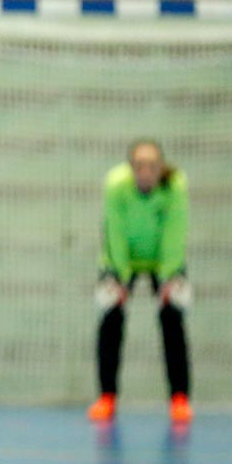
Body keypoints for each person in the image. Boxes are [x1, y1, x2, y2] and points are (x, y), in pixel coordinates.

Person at [87, 139, 192, 426]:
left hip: (162, 259)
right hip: (122, 259)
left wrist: (170, 275)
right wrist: (119, 277)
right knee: (111, 321)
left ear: (161, 168)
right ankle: (107, 397)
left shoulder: (175, 185)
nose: (146, 172)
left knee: (172, 320)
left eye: (152, 166)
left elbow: (175, 230)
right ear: (131, 168)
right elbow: (114, 231)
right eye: (140, 166)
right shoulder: (116, 184)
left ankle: (179, 398)